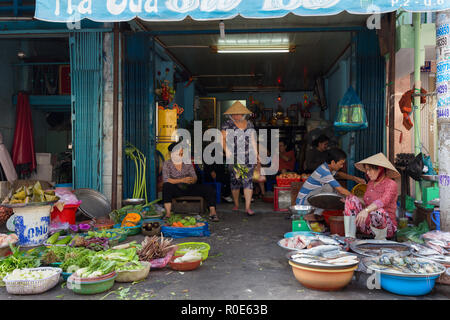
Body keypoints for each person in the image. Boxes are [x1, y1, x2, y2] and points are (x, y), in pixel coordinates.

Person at [162, 141, 219, 222]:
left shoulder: (187, 162)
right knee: (166, 186)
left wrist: (192, 180)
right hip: (176, 189)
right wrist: (182, 180)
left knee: (208, 188)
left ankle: (213, 213)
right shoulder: (167, 164)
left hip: (189, 187)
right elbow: (166, 179)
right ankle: (168, 213)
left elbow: (194, 176)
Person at [296, 148, 365, 214]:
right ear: (333, 162)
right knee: (329, 188)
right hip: (303, 203)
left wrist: (355, 178)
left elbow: (339, 174)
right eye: (341, 164)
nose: (342, 166)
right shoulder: (324, 171)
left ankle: (320, 213)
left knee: (334, 192)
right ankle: (317, 214)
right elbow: (340, 190)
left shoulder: (327, 167)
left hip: (309, 198)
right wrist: (357, 199)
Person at [221, 101, 259, 216]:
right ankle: (236, 204)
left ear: (243, 114)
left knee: (248, 180)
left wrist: (257, 155)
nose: (236, 116)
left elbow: (253, 140)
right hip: (234, 157)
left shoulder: (249, 124)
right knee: (235, 180)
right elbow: (222, 139)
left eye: (238, 114)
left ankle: (247, 207)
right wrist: (227, 151)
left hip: (249, 156)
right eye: (233, 114)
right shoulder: (227, 124)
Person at [351, 153, 400, 239]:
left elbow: (383, 201)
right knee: (351, 200)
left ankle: (379, 242)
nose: (367, 173)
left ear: (379, 170)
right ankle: (350, 236)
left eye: (369, 170)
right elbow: (366, 201)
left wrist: (366, 210)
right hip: (368, 226)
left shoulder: (391, 184)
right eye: (366, 170)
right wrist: (354, 200)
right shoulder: (370, 183)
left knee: (378, 212)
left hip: (387, 229)